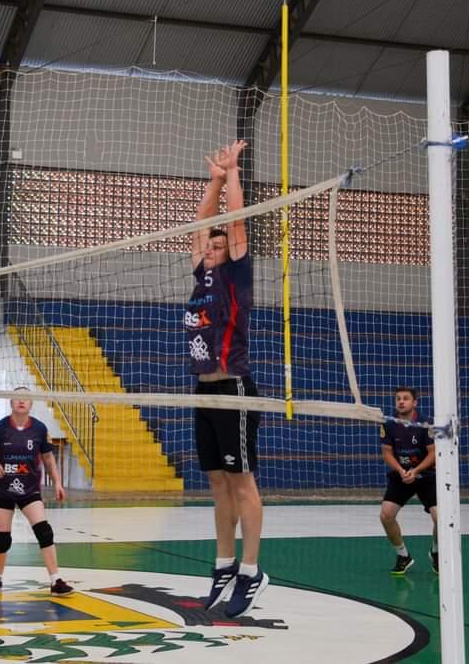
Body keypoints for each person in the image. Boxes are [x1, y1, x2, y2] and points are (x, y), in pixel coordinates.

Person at [184, 139, 267, 619]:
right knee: (217, 480)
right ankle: (223, 563)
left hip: (233, 385)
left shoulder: (236, 275)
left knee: (241, 481)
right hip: (205, 389)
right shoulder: (202, 276)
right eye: (211, 245)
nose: (213, 247)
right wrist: (212, 179)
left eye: (220, 244)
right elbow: (201, 225)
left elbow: (234, 222)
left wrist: (232, 174)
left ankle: (252, 570)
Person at [0, 389, 73, 597]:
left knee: (44, 531)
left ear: (31, 404)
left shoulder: (38, 428)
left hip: (29, 489)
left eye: (26, 398)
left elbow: (48, 458)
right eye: (18, 398)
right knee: (3, 539)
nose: (22, 401)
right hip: (3, 489)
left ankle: (56, 581)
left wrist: (57, 483)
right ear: (11, 402)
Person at [379, 386, 438, 575]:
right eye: (398, 399)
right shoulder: (388, 424)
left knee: (441, 518)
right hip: (401, 475)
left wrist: (416, 470)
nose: (401, 402)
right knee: (386, 514)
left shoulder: (425, 423)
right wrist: (401, 470)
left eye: (405, 398)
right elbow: (387, 453)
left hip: (427, 475)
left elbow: (433, 453)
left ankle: (436, 552)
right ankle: (403, 555)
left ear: (415, 403)